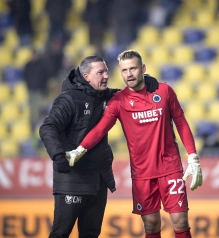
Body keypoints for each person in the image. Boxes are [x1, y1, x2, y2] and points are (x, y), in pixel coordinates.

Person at [66, 50, 203, 238]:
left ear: (143, 69)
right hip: (142, 173)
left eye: (133, 68)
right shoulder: (118, 101)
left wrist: (193, 156)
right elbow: (100, 129)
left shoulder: (164, 91)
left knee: (180, 220)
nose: (129, 74)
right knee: (151, 224)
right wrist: (81, 148)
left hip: (169, 167)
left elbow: (181, 122)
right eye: (124, 70)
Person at [39, 55, 158, 237]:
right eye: (100, 72)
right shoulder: (68, 100)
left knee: (91, 233)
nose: (106, 76)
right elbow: (48, 127)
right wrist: (58, 155)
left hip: (98, 180)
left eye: (107, 72)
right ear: (86, 77)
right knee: (61, 232)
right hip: (72, 179)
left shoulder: (106, 96)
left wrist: (144, 81)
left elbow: (128, 94)